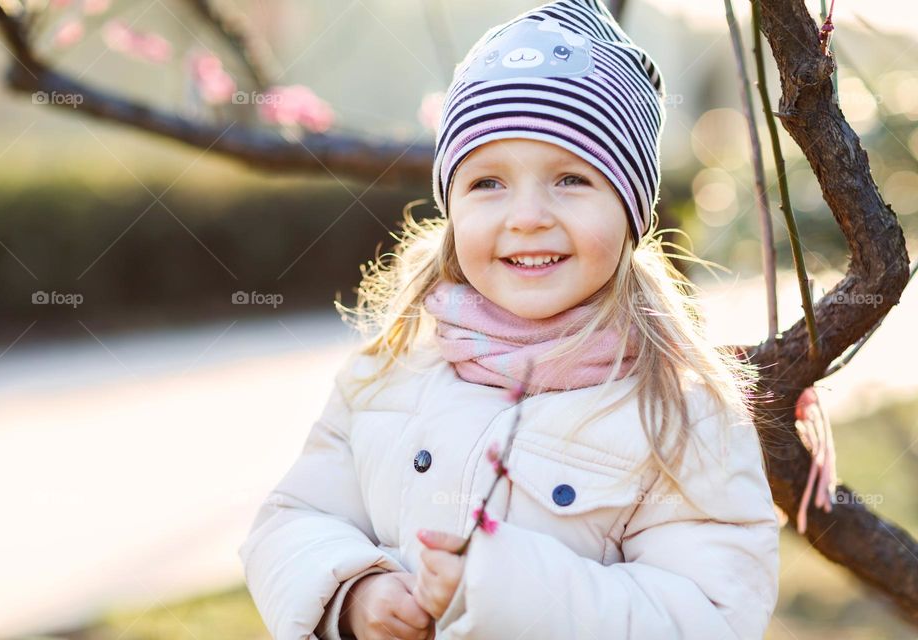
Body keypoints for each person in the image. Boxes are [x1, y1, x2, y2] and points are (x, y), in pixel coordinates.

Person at [239, 1, 796, 637]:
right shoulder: (389, 372)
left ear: (632, 211)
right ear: (452, 209)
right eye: (488, 183)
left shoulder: (681, 414)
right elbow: (292, 518)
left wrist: (497, 589)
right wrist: (354, 594)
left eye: (570, 179)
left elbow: (706, 616)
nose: (526, 215)